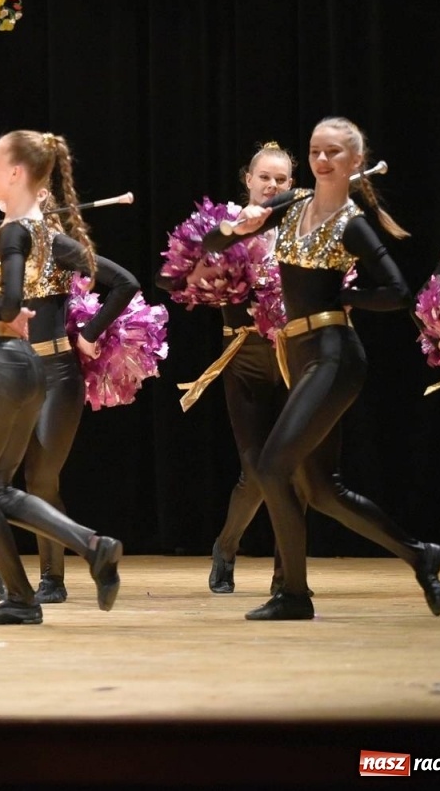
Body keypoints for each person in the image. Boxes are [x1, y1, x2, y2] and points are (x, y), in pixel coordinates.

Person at [211, 117, 440, 620]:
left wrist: (343, 294)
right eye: (316, 150)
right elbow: (213, 244)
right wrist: (237, 226)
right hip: (298, 353)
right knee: (320, 489)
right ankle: (420, 554)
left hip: (334, 354)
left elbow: (398, 292)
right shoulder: (291, 207)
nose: (322, 160)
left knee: (272, 466)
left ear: (355, 162)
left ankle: (293, 593)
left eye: (334, 152)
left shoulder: (352, 223)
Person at [0, 131, 125, 624]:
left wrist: (11, 314)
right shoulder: (33, 231)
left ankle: (24, 597)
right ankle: (92, 546)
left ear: (16, 173)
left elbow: (5, 300)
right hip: (22, 365)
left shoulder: (13, 233)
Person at [1, 133, 139, 604]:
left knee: (41, 478)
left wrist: (90, 333)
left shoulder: (54, 243)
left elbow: (125, 283)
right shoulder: (1, 249)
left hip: (56, 376)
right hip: (11, 376)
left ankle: (52, 578)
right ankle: (9, 572)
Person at [157, 143, 295, 595]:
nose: (272, 185)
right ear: (248, 180)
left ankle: (286, 575)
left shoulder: (299, 225)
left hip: (296, 358)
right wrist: (202, 276)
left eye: (282, 180)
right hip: (244, 357)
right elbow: (170, 277)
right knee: (256, 471)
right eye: (265, 177)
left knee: (292, 469)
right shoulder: (225, 224)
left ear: (291, 186)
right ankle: (227, 545)